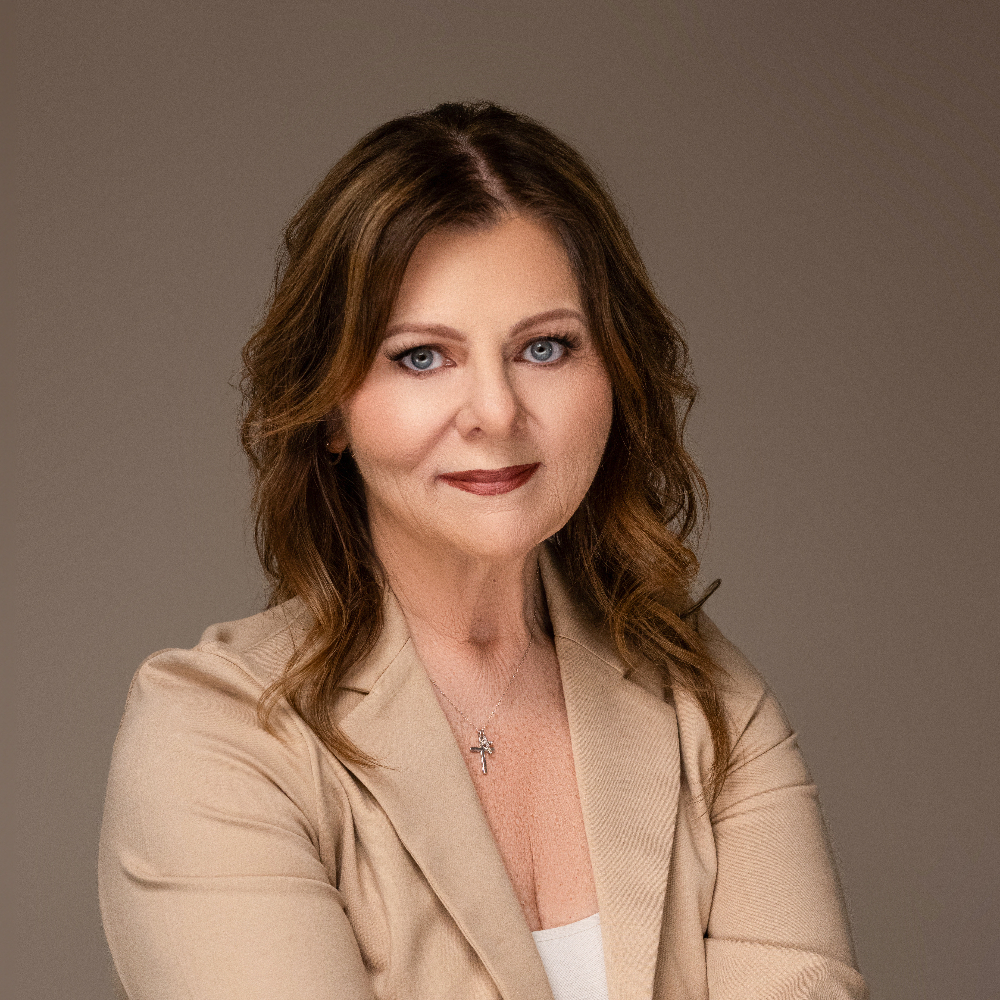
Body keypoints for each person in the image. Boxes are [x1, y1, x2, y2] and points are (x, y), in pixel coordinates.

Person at [98, 102, 868, 1000]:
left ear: (613, 376)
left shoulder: (711, 707)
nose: (497, 413)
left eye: (545, 347)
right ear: (331, 409)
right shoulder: (220, 734)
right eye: (423, 357)